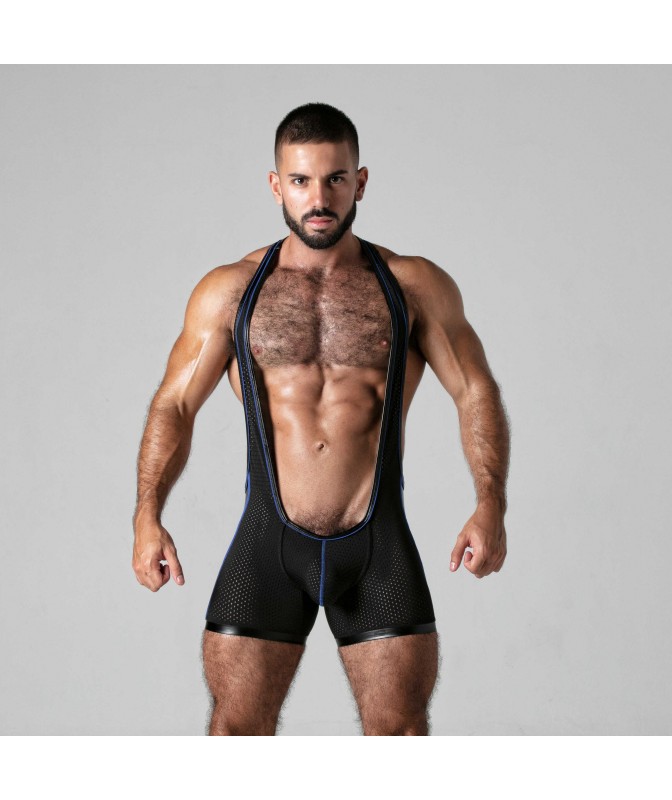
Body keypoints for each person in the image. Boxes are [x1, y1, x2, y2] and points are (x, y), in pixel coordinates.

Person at [132, 102, 510, 736]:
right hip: (267, 543)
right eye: (301, 180)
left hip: (378, 543)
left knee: (400, 734)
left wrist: (490, 502)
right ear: (275, 185)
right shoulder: (231, 291)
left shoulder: (412, 285)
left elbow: (475, 390)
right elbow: (175, 403)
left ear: (360, 181)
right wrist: (148, 515)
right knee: (236, 733)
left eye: (335, 179)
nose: (319, 198)